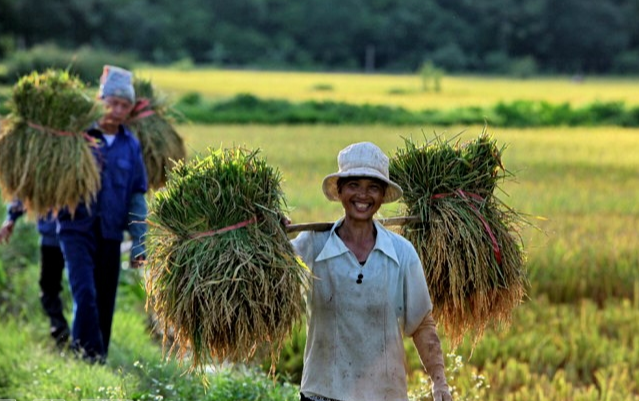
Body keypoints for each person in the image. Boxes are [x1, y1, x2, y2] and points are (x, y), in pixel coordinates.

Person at [291, 142, 452, 401]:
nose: (363, 196)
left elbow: (422, 324)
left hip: (384, 395)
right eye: (354, 185)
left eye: (373, 188)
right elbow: (274, 269)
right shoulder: (312, 244)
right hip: (323, 394)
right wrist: (270, 233)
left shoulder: (401, 253)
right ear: (340, 190)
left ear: (382, 195)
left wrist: (439, 382)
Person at [56, 65, 148, 363]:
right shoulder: (78, 136)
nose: (117, 110)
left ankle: (98, 356)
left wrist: (139, 243)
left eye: (125, 105)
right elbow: (47, 177)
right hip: (75, 228)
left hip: (110, 232)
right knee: (85, 294)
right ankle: (86, 356)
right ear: (100, 100)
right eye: (112, 103)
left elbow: (136, 195)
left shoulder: (130, 144)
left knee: (105, 297)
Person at [0, 201, 70, 346]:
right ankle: (61, 332)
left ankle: (85, 339)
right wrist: (11, 217)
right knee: (49, 288)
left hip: (79, 238)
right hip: (52, 240)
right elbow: (27, 187)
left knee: (82, 290)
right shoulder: (42, 178)